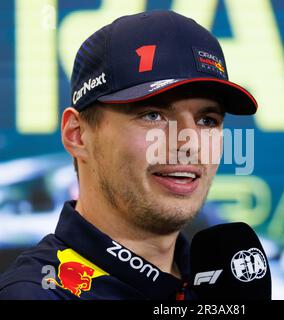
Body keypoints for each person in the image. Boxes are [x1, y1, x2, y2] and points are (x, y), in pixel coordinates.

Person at [0, 10, 257, 299]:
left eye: (207, 120)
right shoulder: (36, 294)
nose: (190, 143)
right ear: (77, 135)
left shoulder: (221, 286)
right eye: (152, 115)